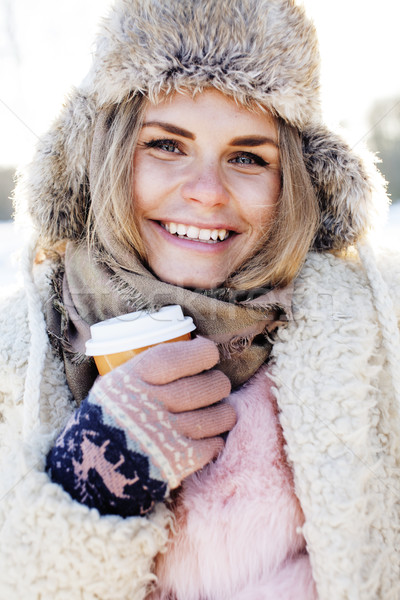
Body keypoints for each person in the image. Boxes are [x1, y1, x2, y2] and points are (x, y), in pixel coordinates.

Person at [1, 0, 399, 598]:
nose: (209, 192)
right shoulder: (21, 355)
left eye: (247, 157)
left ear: (290, 176)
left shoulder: (371, 332)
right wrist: (93, 480)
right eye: (166, 145)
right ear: (106, 155)